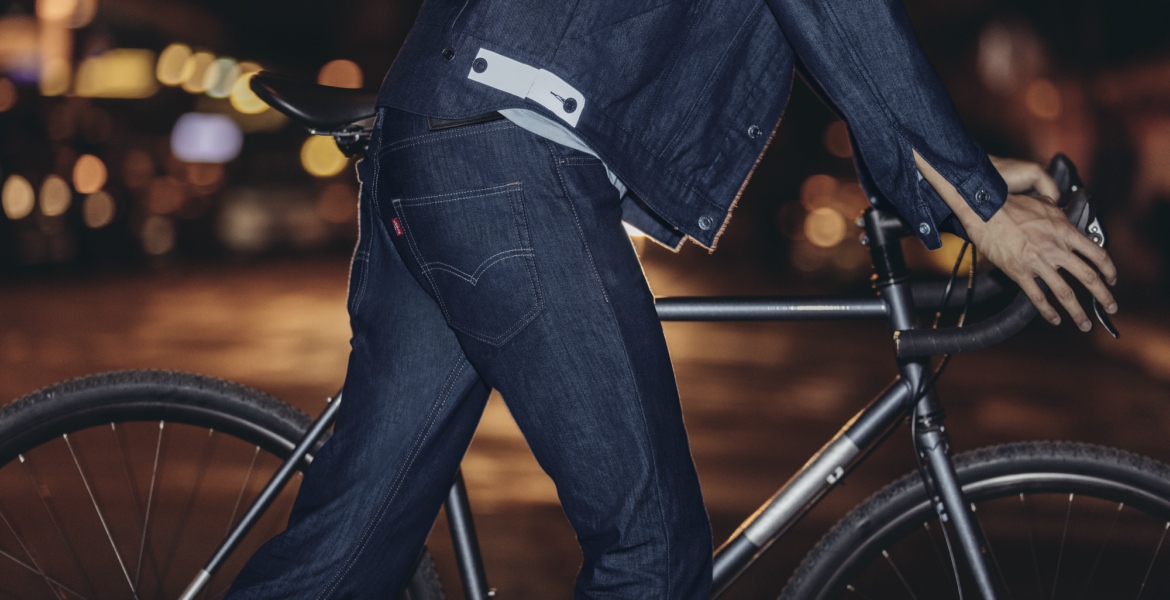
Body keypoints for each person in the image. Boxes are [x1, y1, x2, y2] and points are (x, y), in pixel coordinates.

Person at [228, 0, 1118, 597]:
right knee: (652, 556)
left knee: (343, 556)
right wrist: (980, 203)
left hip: (444, 135)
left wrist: (955, 176)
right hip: (508, 153)